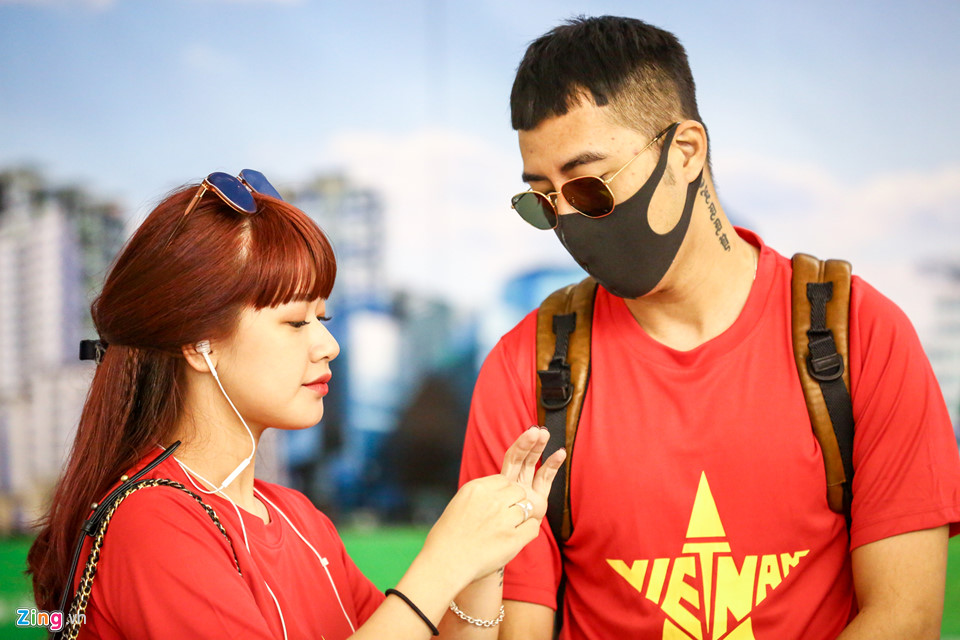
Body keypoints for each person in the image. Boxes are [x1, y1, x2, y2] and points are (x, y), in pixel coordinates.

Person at [458, 15, 960, 640]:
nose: (568, 220)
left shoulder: (861, 332)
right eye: (543, 199)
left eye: (589, 185)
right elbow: (518, 630)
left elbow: (905, 617)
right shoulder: (524, 368)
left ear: (686, 152)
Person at [27, 170, 566, 639]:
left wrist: (482, 559)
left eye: (322, 318)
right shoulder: (152, 524)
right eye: (294, 322)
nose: (328, 345)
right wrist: (443, 561)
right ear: (197, 342)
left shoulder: (300, 518)